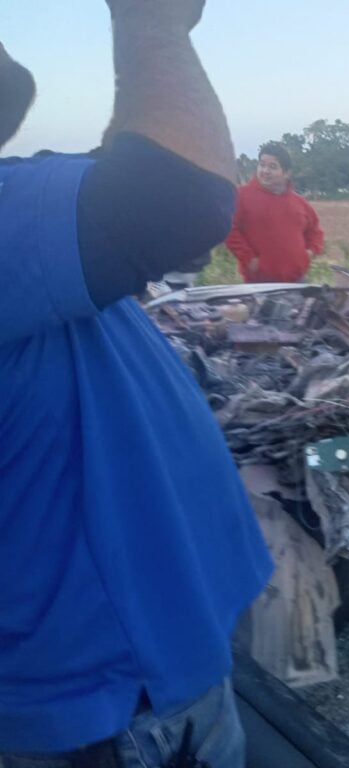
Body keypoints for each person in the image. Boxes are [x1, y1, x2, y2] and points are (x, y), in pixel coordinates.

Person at [0, 2, 272, 766]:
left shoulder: (25, 225)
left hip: (116, 689)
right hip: (115, 712)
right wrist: (149, 22)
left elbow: (126, 180)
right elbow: (175, 195)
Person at [225, 142, 325, 283]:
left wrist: (309, 253)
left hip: (297, 281)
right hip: (258, 283)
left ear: (286, 173)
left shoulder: (300, 203)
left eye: (272, 167)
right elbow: (229, 229)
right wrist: (250, 259)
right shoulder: (241, 196)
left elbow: (315, 232)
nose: (265, 171)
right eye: (262, 165)